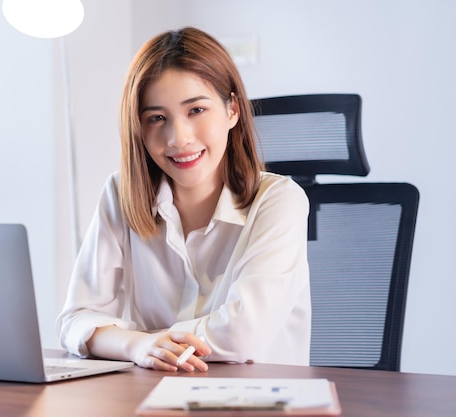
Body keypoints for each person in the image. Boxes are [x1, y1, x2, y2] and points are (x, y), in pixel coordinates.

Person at [57, 27, 311, 372]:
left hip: (257, 400)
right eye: (157, 118)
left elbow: (243, 336)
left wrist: (142, 340)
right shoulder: (122, 194)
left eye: (196, 110)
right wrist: (137, 344)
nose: (178, 138)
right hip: (154, 396)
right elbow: (75, 321)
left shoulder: (280, 201)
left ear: (233, 110)